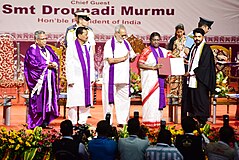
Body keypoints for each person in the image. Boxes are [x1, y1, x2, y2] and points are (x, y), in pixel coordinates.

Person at [102, 24, 136, 127]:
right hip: (111, 77)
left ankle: (122, 121)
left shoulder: (126, 43)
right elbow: (110, 60)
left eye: (125, 35)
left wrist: (133, 57)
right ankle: (108, 122)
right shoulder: (109, 44)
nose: (124, 37)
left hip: (124, 77)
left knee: (124, 100)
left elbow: (132, 56)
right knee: (109, 100)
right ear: (116, 33)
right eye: (122, 35)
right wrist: (124, 58)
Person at [24, 30, 59, 129]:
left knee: (48, 100)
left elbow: (55, 59)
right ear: (36, 40)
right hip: (39, 81)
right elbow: (32, 65)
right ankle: (35, 123)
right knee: (39, 101)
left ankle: (45, 122)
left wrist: (54, 64)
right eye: (42, 39)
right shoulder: (32, 50)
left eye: (45, 38)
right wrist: (47, 65)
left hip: (49, 80)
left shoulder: (48, 49)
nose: (45, 41)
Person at [181, 17, 214, 121]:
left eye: (199, 37)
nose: (196, 39)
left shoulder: (206, 49)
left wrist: (191, 72)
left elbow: (204, 66)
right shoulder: (194, 47)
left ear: (202, 37)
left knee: (201, 101)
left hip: (201, 80)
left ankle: (202, 122)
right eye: (195, 37)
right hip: (192, 79)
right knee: (192, 101)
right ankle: (193, 119)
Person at [138, 32, 170, 127]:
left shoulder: (163, 51)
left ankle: (157, 120)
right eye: (154, 40)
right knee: (150, 101)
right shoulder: (146, 51)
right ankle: (148, 121)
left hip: (159, 80)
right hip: (150, 81)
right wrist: (153, 67)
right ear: (150, 41)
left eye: (157, 40)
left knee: (157, 101)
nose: (156, 42)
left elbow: (171, 58)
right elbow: (140, 64)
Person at [65, 26, 95, 125]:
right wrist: (70, 79)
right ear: (79, 35)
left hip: (86, 78)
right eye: (85, 34)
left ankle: (82, 121)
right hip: (75, 78)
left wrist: (92, 77)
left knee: (85, 101)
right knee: (73, 101)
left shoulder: (88, 46)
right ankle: (72, 122)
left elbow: (91, 62)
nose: (87, 36)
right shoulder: (72, 46)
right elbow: (68, 63)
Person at [167, 23, 186, 104]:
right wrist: (174, 57)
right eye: (178, 32)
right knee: (174, 80)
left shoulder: (187, 40)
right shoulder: (173, 40)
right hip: (175, 62)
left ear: (184, 31)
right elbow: (169, 51)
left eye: (181, 32)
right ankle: (173, 98)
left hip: (183, 62)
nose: (179, 33)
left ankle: (181, 99)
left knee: (182, 80)